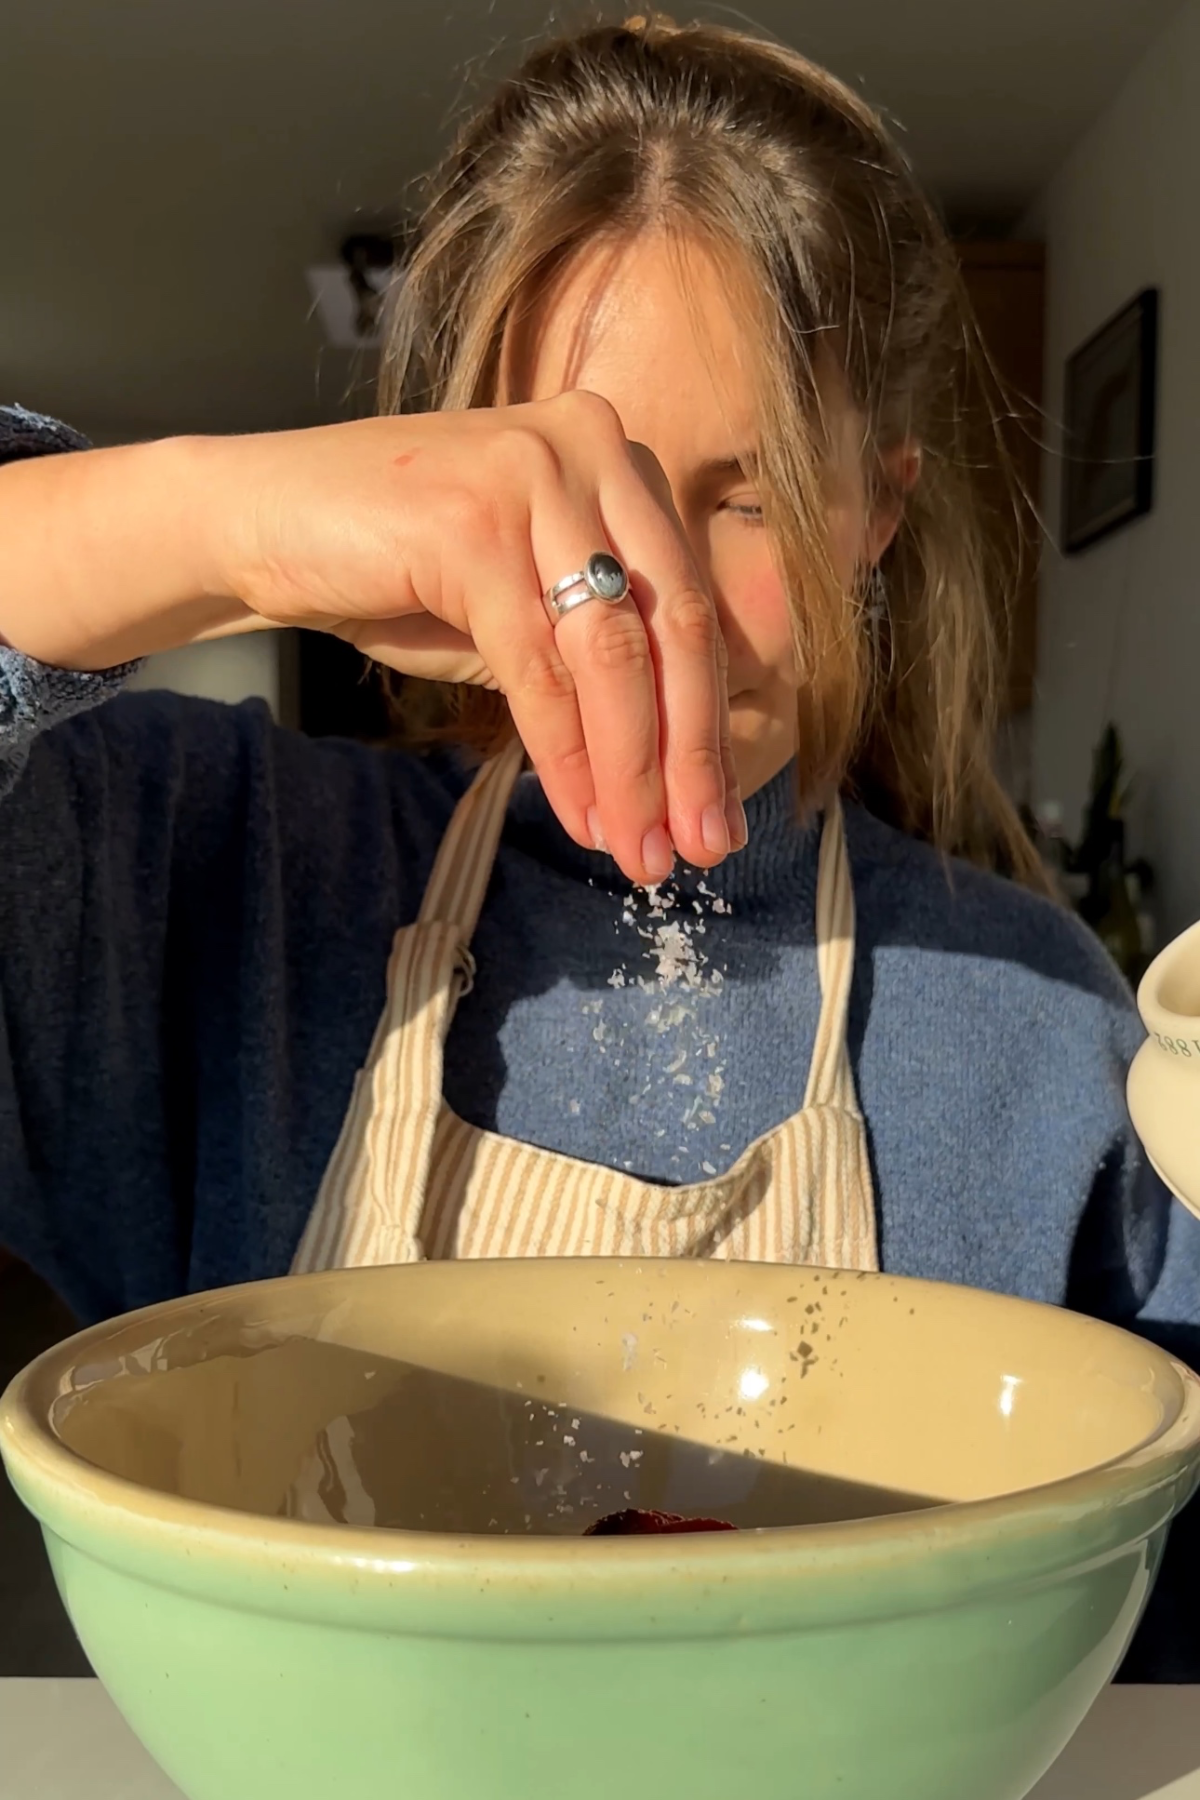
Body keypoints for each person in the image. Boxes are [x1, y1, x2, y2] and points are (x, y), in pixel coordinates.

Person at [0, 16, 1196, 1673]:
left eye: (752, 493)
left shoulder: (1039, 1030)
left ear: (879, 510)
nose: (655, 599)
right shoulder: (216, 883)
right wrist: (221, 524)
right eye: (570, 488)